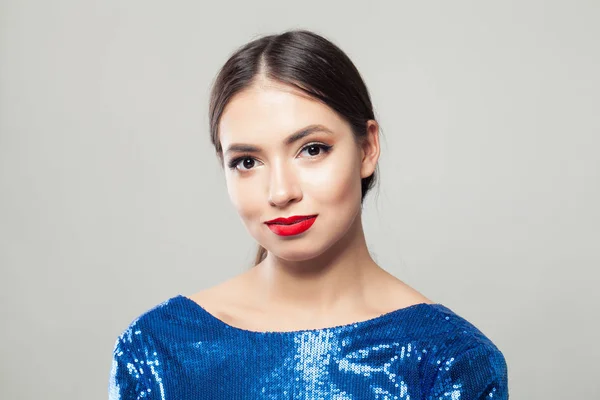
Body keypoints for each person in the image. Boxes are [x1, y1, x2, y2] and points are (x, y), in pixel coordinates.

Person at [108, 29, 508, 399]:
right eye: (247, 161)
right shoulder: (159, 347)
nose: (281, 192)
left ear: (367, 148)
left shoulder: (450, 359)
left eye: (312, 149)